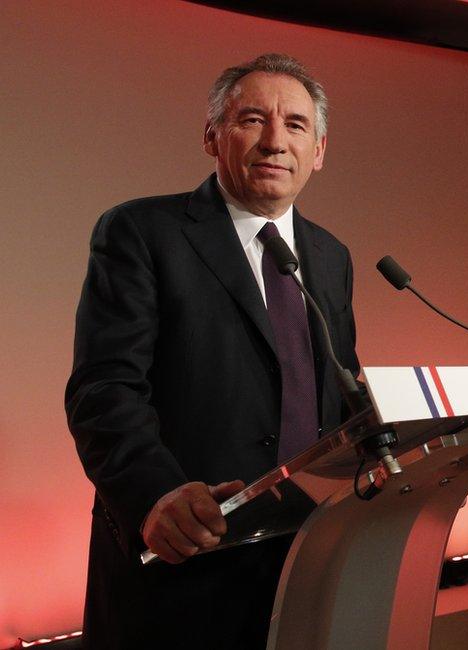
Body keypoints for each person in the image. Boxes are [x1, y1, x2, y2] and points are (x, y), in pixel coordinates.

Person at [65, 54, 359, 649]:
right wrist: (155, 495)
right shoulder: (142, 232)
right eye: (253, 119)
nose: (276, 141)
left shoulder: (330, 256)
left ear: (319, 150)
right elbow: (105, 389)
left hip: (306, 562)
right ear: (212, 136)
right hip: (186, 563)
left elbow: (336, 394)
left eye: (297, 126)